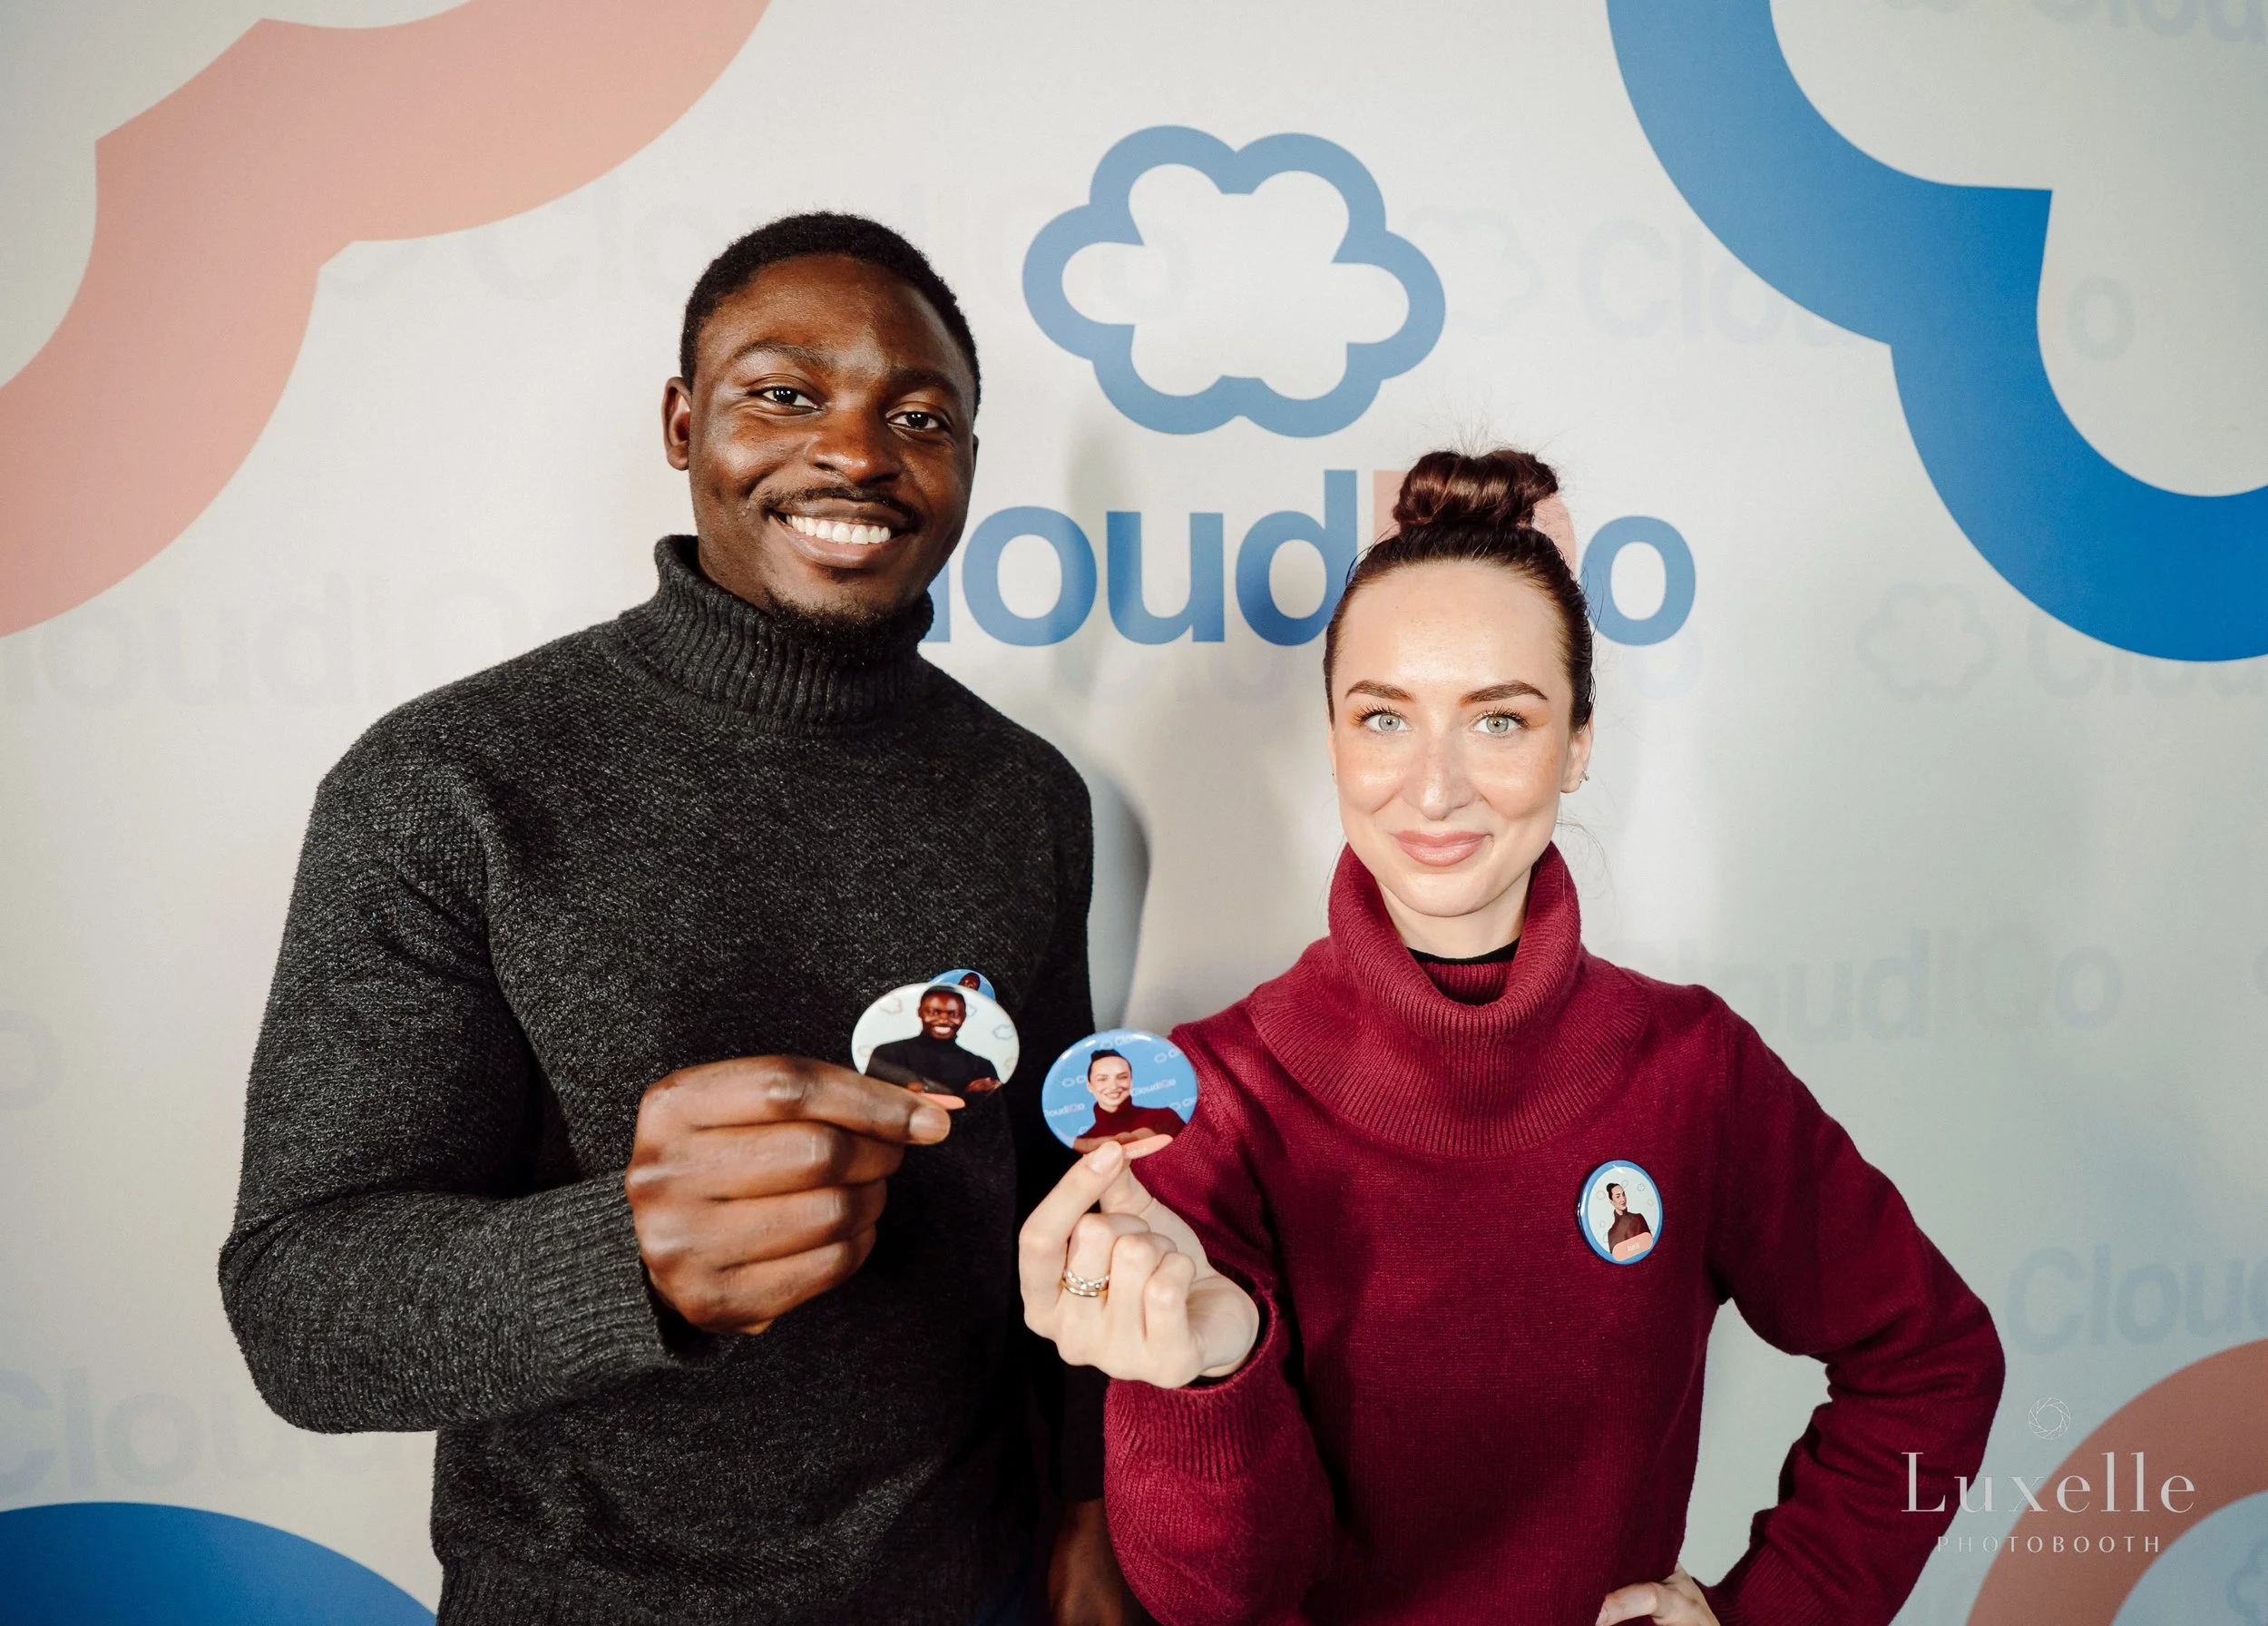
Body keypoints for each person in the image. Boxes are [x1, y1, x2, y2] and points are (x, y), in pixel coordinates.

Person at [221, 214, 1134, 1625]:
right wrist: (628, 1256)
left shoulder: (1026, 796)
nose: (856, 452)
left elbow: (1064, 1189)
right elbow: (301, 1308)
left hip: (974, 1585)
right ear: (679, 422)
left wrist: (1084, 1519)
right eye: (784, 392)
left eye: (921, 415)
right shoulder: (448, 784)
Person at [1018, 449, 2004, 1625]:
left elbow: (1932, 1362)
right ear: (1332, 739)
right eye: (1385, 717)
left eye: (1499, 719)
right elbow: (1221, 1602)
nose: (1434, 790)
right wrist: (1211, 1369)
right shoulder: (1211, 1098)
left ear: (1580, 742)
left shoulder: (1693, 1070)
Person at [867, 986, 1005, 1096]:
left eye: (953, 1014)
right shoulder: (888, 1053)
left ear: (964, 1017)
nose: (944, 1020)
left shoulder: (981, 1066)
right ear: (920, 1012)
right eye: (934, 1012)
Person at [1068, 1050, 1186, 1152]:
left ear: (1131, 1081)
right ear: (1090, 1086)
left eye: (1122, 1077)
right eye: (1102, 1079)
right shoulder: (1082, 1143)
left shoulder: (1165, 1116)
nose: (1113, 1086)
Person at [1604, 1180, 1654, 1262]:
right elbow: (1617, 1258)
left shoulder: (1638, 1218)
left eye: (1623, 1194)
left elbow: (1649, 1245)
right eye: (1618, 1196)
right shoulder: (1611, 1233)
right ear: (1611, 1201)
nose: (1623, 1199)